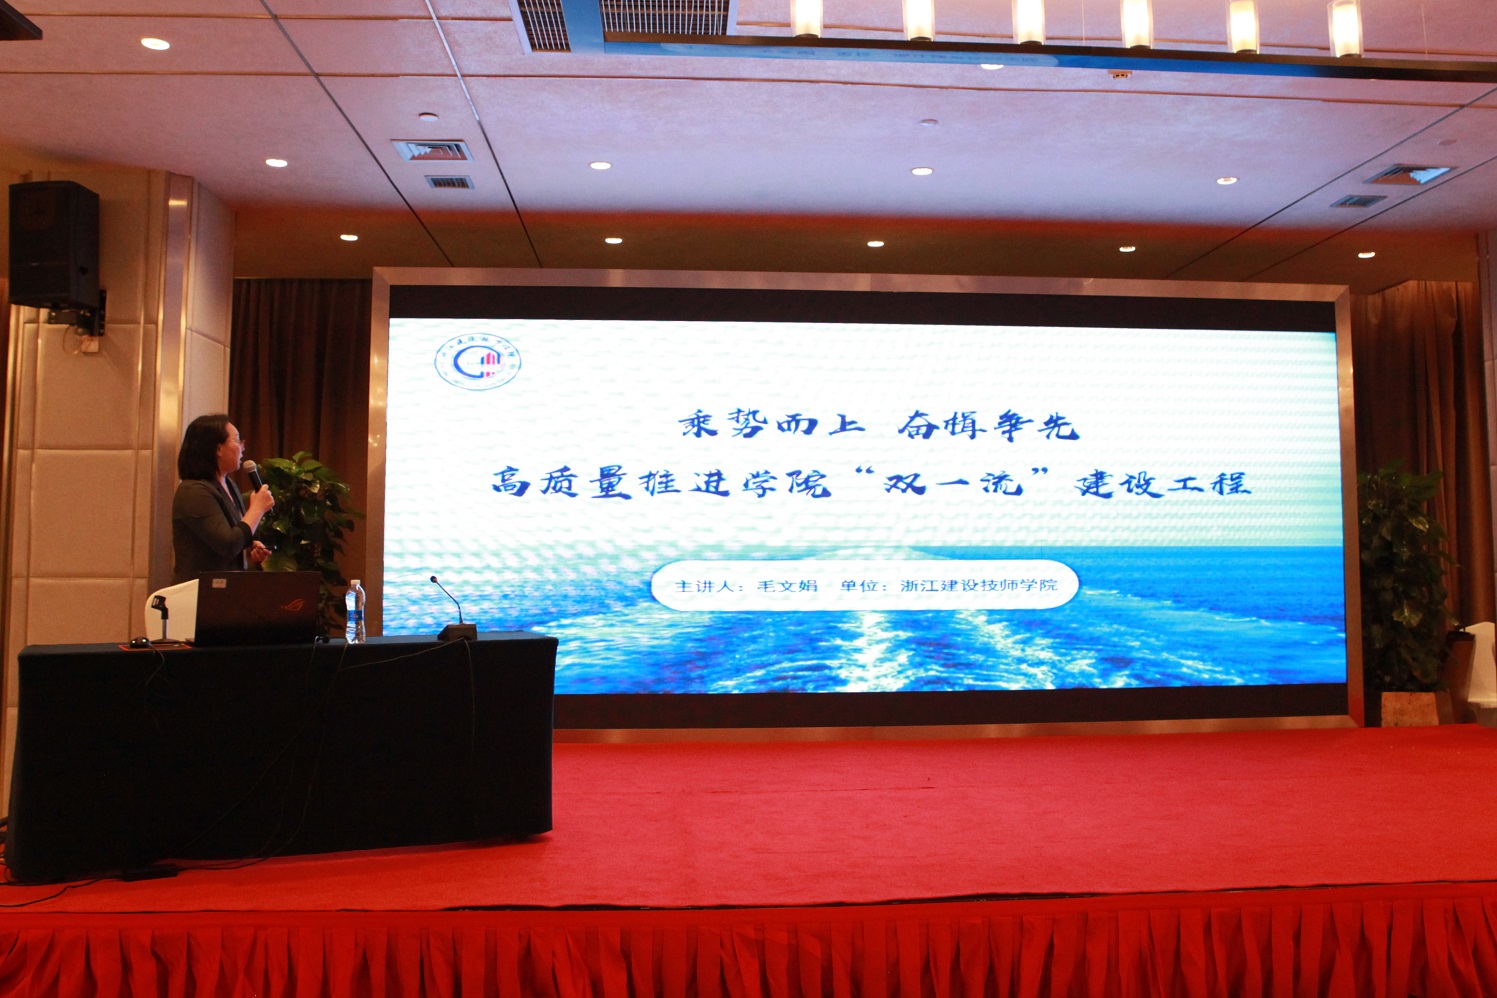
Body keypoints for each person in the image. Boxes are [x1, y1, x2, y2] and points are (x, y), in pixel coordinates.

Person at [171, 414, 274, 584]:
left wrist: (250, 546)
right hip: (199, 592)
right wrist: (257, 508)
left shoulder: (229, 485)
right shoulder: (194, 491)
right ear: (218, 449)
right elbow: (228, 544)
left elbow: (233, 537)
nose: (242, 446)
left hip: (226, 590)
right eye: (237, 440)